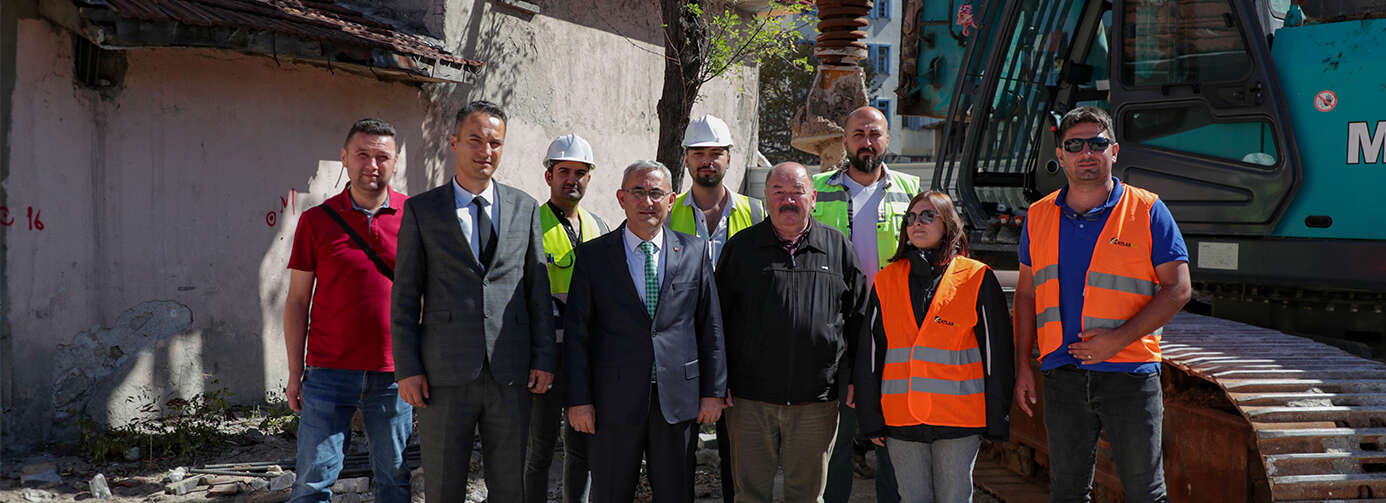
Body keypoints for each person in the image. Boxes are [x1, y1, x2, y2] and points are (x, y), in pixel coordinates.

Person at [1013, 106, 1191, 503]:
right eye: (1074, 145)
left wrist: (1116, 340)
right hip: (1062, 374)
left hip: (1129, 373)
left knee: (1145, 492)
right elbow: (1026, 294)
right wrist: (1023, 365)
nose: (1086, 153)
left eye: (1096, 143)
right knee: (1068, 492)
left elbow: (1178, 289)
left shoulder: (1148, 210)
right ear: (1060, 155)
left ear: (1114, 150)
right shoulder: (1038, 215)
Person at [391, 101, 557, 502]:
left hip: (511, 373)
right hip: (443, 375)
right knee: (443, 486)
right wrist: (408, 369)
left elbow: (537, 290)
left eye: (495, 143)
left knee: (510, 487)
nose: (486, 151)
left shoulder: (524, 207)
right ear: (454, 142)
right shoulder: (422, 210)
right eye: (475, 140)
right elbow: (406, 297)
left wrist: (544, 357)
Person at [563, 160, 727, 503]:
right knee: (610, 493)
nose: (647, 201)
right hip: (612, 402)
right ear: (621, 198)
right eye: (638, 192)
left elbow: (710, 326)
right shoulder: (593, 256)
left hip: (676, 401)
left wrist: (713, 391)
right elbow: (578, 335)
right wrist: (579, 400)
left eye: (656, 193)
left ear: (671, 200)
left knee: (675, 494)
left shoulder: (694, 252)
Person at [714, 162, 870, 503]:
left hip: (816, 399)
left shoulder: (837, 247)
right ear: (766, 198)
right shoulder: (741, 248)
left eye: (797, 192)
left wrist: (855, 379)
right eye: (779, 192)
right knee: (750, 495)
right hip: (749, 400)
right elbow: (717, 321)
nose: (788, 200)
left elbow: (858, 319)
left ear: (813, 198)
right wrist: (717, 381)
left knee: (807, 496)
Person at [854, 191, 1014, 503]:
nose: (917, 223)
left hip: (959, 418)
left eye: (928, 216)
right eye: (911, 218)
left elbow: (997, 354)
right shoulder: (886, 281)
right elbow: (870, 355)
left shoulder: (976, 277)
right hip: (901, 419)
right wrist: (870, 418)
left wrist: (998, 417)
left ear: (948, 224)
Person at [284, 118, 412, 503]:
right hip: (327, 372)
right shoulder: (316, 221)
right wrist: (294, 372)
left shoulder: (415, 218)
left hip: (394, 374)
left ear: (395, 162)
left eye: (382, 157)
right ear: (344, 157)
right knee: (311, 483)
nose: (372, 164)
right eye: (362, 154)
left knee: (394, 481)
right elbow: (297, 301)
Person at [813, 106, 921, 503]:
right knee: (837, 437)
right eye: (858, 134)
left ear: (887, 140)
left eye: (875, 134)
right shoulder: (816, 188)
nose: (867, 142)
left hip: (894, 328)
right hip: (836, 327)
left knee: (892, 436)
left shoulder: (911, 190)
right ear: (845, 141)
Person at [667, 114, 762, 502]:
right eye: (698, 153)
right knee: (678, 452)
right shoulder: (668, 210)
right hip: (682, 346)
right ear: (687, 159)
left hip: (739, 348)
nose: (707, 161)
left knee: (737, 454)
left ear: (729, 158)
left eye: (716, 153)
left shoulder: (756, 212)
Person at [526, 134, 607, 503]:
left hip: (587, 361)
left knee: (581, 451)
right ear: (549, 176)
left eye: (580, 172)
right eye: (564, 171)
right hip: (545, 361)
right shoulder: (531, 224)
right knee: (539, 451)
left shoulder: (599, 226)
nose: (572, 179)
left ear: (589, 177)